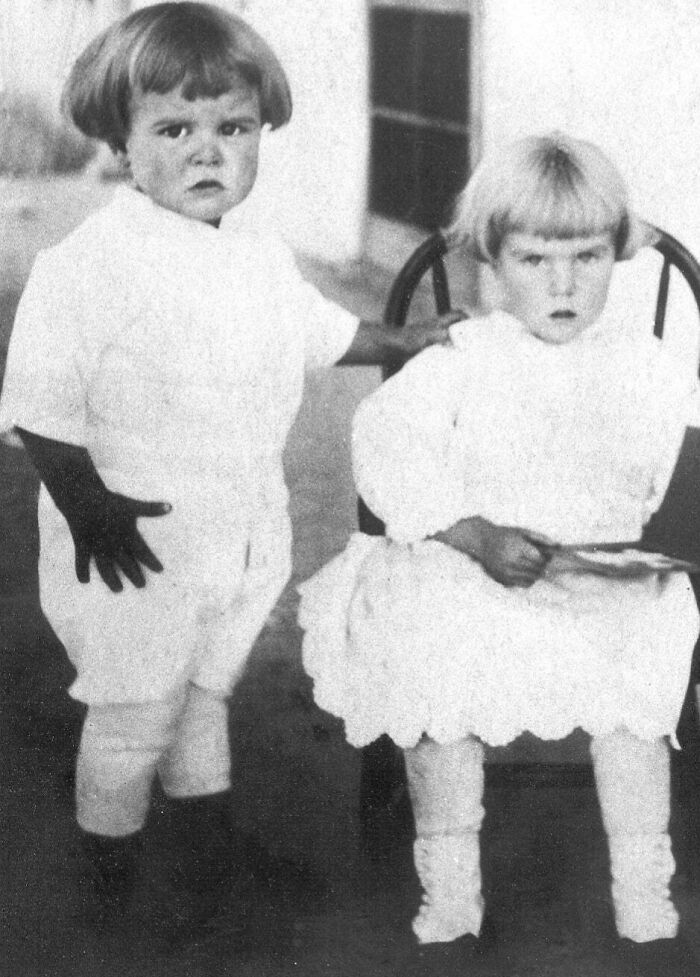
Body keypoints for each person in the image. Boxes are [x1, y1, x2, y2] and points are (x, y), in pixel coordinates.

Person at [0, 1, 458, 942]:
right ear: (120, 143)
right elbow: (36, 410)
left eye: (233, 128)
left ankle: (203, 852)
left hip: (240, 531)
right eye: (174, 128)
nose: (208, 152)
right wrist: (89, 510)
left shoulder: (256, 253)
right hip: (132, 539)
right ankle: (109, 884)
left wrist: (402, 338)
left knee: (205, 694)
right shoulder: (86, 265)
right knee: (133, 717)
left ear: (260, 135)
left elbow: (321, 334)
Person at [299, 132, 700, 975]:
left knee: (644, 649)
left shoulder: (647, 365)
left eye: (588, 255)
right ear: (492, 256)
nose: (563, 282)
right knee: (433, 653)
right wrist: (473, 532)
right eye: (535, 257)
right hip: (470, 563)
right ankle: (449, 882)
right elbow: (385, 454)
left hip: (602, 576)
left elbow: (680, 467)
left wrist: (657, 538)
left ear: (619, 255)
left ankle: (643, 879)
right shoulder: (461, 358)